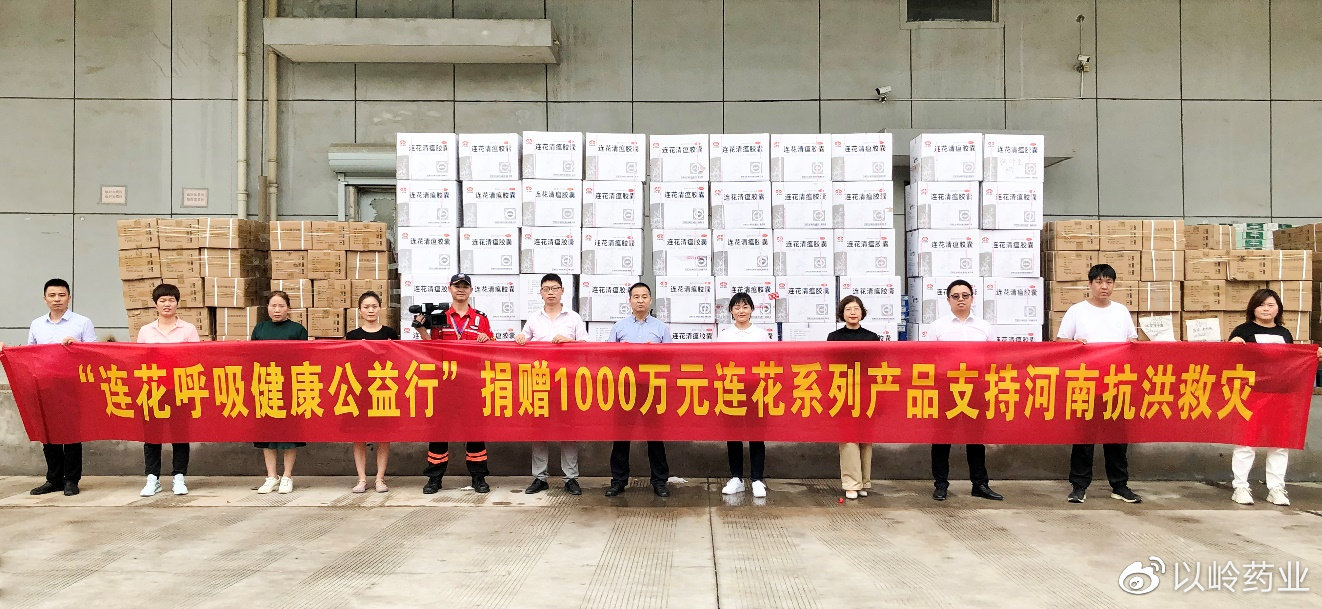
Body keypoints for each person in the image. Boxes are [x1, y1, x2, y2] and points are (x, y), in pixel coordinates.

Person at [0, 279, 97, 496]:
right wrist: (8, 351)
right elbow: (29, 354)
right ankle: (54, 479)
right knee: (48, 434)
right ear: (44, 299)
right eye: (52, 295)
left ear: (69, 298)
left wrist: (78, 346)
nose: (57, 300)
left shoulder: (82, 322)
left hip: (72, 386)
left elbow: (94, 353)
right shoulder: (37, 324)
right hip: (43, 386)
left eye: (61, 295)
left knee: (72, 434)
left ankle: (71, 480)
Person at [1225, 288, 1322, 507]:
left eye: (1271, 305)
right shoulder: (1243, 331)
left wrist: (1312, 356)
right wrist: (1232, 346)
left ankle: (1276, 488)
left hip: (1280, 395)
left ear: (1278, 309)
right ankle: (1240, 486)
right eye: (1261, 305)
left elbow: (1293, 363)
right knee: (1246, 441)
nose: (1266, 309)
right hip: (1250, 394)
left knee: (1279, 443)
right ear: (1253, 308)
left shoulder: (1284, 333)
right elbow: (1229, 361)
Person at [1056, 263, 1142, 504]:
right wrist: (1075, 344)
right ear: (1090, 284)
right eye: (1099, 282)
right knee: (1084, 438)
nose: (1104, 286)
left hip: (1116, 383)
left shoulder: (1121, 311)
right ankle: (1079, 486)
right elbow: (1061, 341)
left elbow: (1132, 342)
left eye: (1109, 282)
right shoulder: (1077, 311)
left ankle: (1120, 485)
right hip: (1086, 382)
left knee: (1117, 439)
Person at [925, 280, 1004, 502]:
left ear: (972, 298)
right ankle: (941, 484)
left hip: (976, 388)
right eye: (956, 296)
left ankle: (980, 484)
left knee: (976, 438)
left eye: (965, 295)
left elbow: (994, 358)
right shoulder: (937, 327)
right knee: (941, 438)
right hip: (946, 388)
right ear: (948, 300)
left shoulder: (984, 327)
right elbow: (929, 358)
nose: (961, 299)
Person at [514, 273, 588, 496]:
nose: (551, 293)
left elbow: (586, 346)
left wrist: (568, 341)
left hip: (567, 382)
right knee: (539, 431)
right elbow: (522, 340)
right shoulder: (533, 319)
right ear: (540, 293)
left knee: (568, 431)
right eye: (546, 289)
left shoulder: (573, 318)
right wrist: (520, 338)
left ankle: (571, 478)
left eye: (555, 288)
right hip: (540, 381)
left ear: (562, 291)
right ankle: (540, 477)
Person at [420, 273, 493, 495]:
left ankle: (479, 477)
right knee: (439, 431)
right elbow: (431, 348)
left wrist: (486, 340)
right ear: (449, 288)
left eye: (465, 286)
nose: (461, 289)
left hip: (472, 384)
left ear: (471, 290)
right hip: (444, 384)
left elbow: (493, 349)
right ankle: (434, 478)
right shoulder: (439, 317)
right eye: (456, 286)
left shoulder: (480, 319)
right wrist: (421, 330)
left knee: (475, 431)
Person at [605, 282, 673, 497]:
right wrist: (622, 352)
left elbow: (671, 357)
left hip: (652, 388)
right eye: (636, 296)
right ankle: (618, 480)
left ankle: (660, 481)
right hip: (625, 388)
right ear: (630, 301)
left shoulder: (661, 328)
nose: (640, 300)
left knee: (655, 436)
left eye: (644, 296)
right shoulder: (619, 327)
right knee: (621, 436)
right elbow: (609, 357)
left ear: (650, 300)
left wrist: (656, 354)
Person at [135, 283, 201, 497]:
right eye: (162, 300)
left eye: (171, 300)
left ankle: (179, 476)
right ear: (155, 304)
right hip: (153, 389)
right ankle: (152, 478)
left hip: (179, 389)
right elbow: (139, 360)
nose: (167, 304)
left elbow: (196, 357)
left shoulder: (188, 329)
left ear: (177, 303)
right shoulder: (146, 330)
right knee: (152, 435)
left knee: (180, 434)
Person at [251, 290, 309, 494]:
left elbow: (305, 358)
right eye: (273, 306)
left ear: (288, 308)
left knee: (289, 434)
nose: (277, 310)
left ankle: (287, 476)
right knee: (267, 434)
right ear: (267, 308)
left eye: (281, 306)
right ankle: (271, 476)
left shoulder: (298, 330)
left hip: (289, 386)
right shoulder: (260, 328)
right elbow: (252, 356)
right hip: (266, 385)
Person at [716, 292, 772, 498]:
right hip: (732, 389)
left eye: (745, 307)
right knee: (734, 435)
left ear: (752, 310)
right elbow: (717, 362)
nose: (741, 311)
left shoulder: (761, 334)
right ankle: (736, 478)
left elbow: (770, 362)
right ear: (731, 311)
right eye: (737, 307)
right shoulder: (724, 335)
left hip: (756, 390)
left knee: (757, 435)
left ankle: (757, 479)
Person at [346, 291, 399, 493]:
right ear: (360, 310)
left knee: (383, 435)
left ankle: (380, 478)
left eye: (374, 306)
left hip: (383, 389)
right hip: (359, 390)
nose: (370, 310)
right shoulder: (352, 336)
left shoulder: (389, 333)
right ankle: (361, 479)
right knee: (358, 436)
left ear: (380, 308)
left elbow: (398, 360)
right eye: (366, 307)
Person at [827, 295, 879, 500]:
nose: (853, 312)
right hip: (843, 391)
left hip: (866, 392)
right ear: (842, 313)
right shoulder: (834, 337)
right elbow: (830, 364)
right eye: (848, 309)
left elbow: (877, 365)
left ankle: (864, 482)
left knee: (866, 439)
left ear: (862, 312)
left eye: (856, 308)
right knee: (848, 438)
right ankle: (851, 483)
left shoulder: (872, 337)